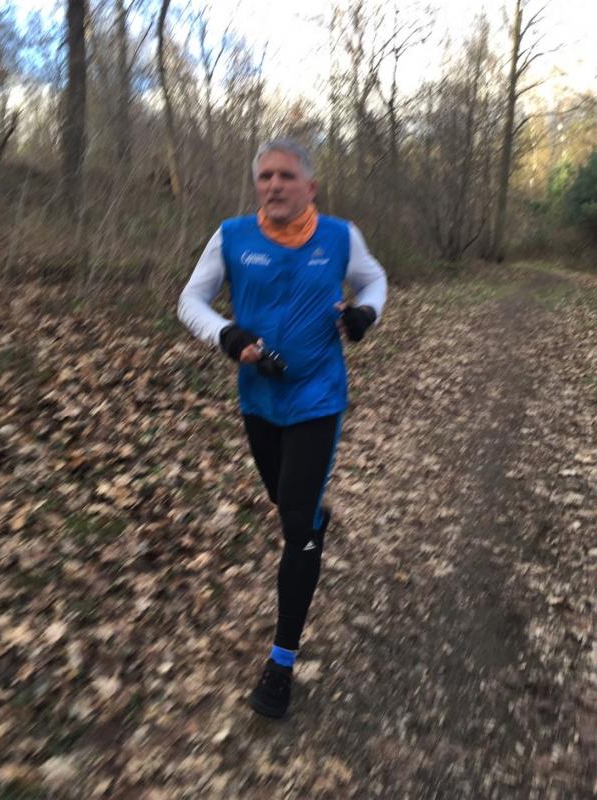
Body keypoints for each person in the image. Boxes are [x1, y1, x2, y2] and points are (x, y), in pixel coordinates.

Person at [177, 138, 386, 718]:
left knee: (295, 523)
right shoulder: (232, 237)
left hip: (318, 396)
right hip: (259, 398)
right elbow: (190, 300)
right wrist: (227, 335)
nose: (274, 185)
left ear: (309, 187)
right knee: (286, 502)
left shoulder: (341, 237)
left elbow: (374, 281)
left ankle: (281, 662)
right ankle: (311, 519)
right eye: (265, 176)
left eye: (286, 176)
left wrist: (364, 314)